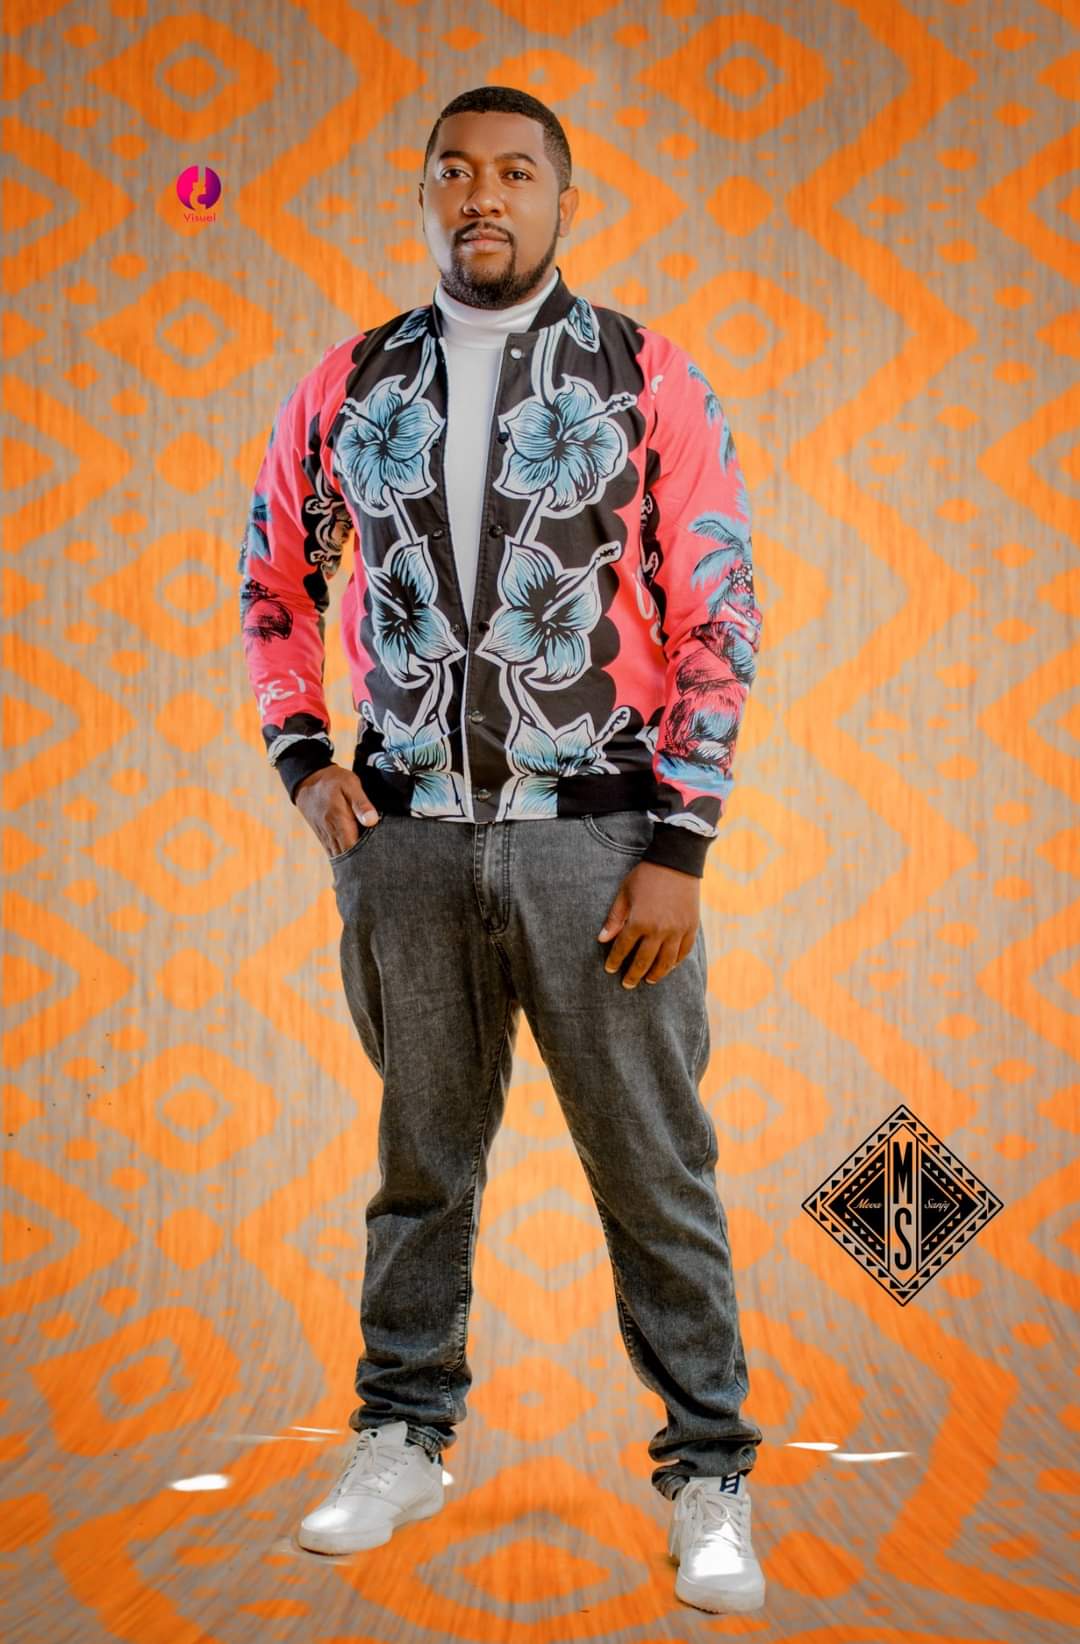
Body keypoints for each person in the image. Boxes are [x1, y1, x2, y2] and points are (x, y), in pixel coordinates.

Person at [238, 85, 766, 1616]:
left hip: (601, 843)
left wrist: (683, 839)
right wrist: (302, 758)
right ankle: (401, 1434)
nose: (485, 193)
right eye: (456, 171)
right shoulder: (350, 382)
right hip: (404, 842)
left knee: (654, 1167)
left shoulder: (646, 376)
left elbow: (719, 606)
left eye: (516, 172)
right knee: (421, 1166)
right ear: (425, 195)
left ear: (562, 199)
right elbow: (274, 577)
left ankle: (710, 1470)